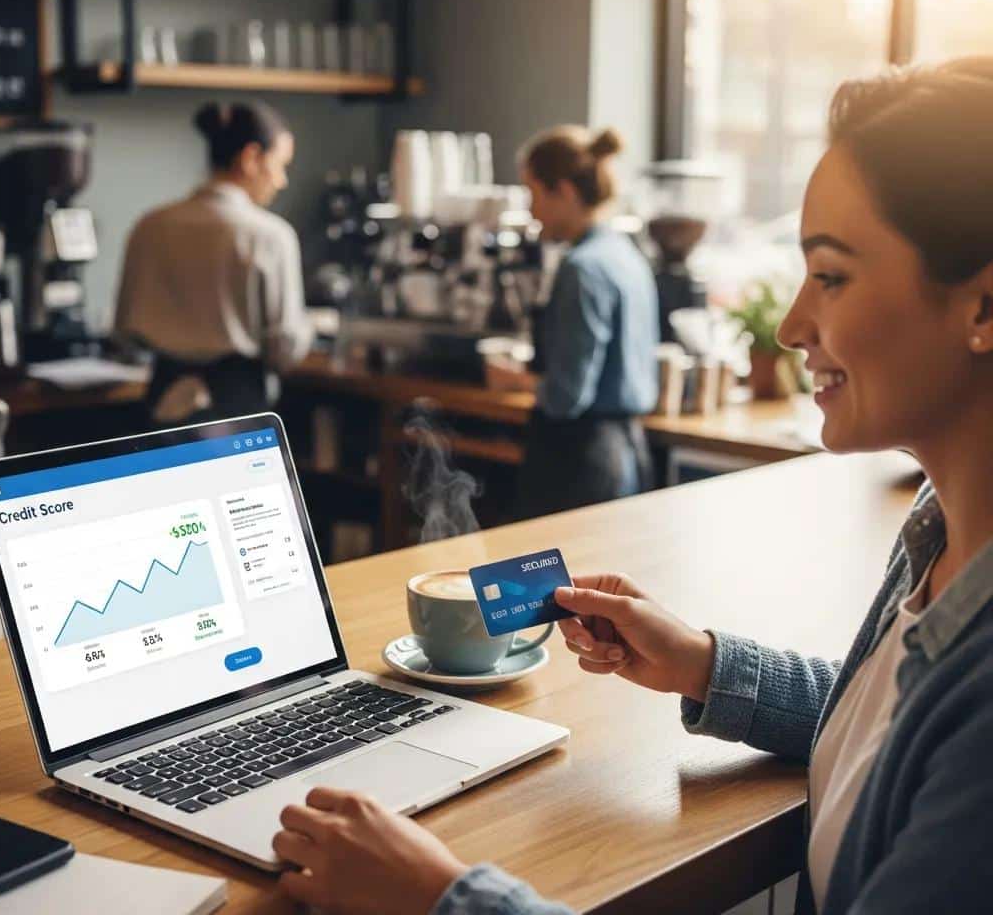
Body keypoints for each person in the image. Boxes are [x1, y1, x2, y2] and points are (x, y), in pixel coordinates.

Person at [270, 59, 993, 914]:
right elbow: (884, 724)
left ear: (982, 309)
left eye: (830, 275)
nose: (793, 324)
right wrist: (705, 663)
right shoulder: (936, 536)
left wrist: (442, 898)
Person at [115, 101, 314, 424]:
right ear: (250, 158)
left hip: (160, 404)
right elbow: (283, 350)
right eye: (279, 165)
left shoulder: (149, 226)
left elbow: (124, 333)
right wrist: (311, 327)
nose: (282, 181)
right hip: (238, 410)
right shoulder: (270, 236)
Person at [511, 125, 658, 519]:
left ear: (565, 191)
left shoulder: (581, 269)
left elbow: (566, 395)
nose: (531, 209)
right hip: (630, 454)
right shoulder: (627, 255)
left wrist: (514, 380)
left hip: (582, 465)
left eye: (533, 192)